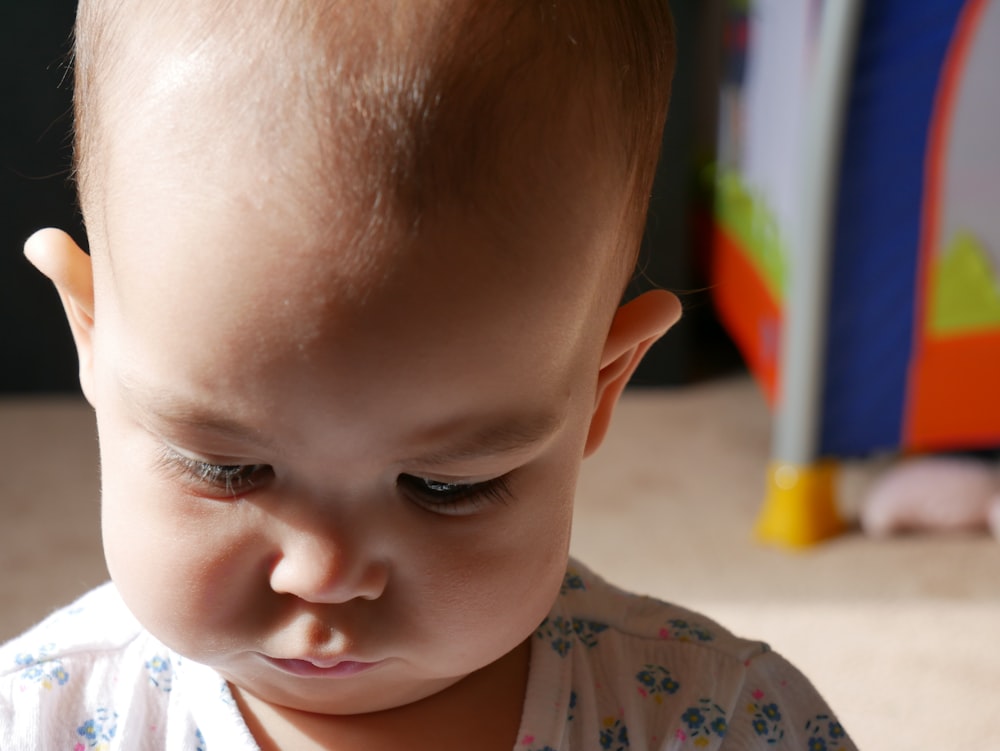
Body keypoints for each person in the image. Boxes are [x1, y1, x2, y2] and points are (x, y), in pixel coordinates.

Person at [0, 1, 856, 749]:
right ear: (91, 337)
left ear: (602, 386)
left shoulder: (720, 721)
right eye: (228, 468)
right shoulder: (38, 716)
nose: (324, 574)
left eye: (443, 485)